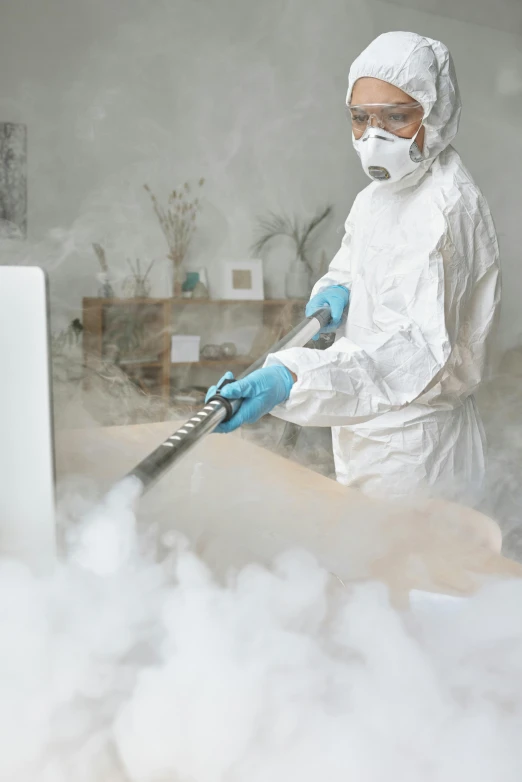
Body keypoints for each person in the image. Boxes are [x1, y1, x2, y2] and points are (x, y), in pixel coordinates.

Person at [206, 31, 500, 501]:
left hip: (418, 449)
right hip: (365, 420)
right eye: (360, 118)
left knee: (413, 570)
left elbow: (411, 354)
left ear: (436, 115)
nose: (373, 136)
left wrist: (293, 378)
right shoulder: (377, 197)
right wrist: (336, 289)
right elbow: (353, 263)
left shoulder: (446, 209)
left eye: (396, 118)